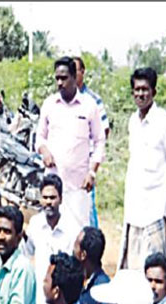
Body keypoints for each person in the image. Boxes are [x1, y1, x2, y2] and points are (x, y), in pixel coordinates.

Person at [120, 67, 166, 270]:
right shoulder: (133, 121)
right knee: (132, 269)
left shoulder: (165, 123)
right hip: (134, 207)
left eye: (145, 89)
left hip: (155, 209)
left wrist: (162, 195)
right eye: (137, 90)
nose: (141, 94)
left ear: (154, 92)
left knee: (156, 271)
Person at [36, 56, 105, 229]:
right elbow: (39, 137)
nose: (60, 83)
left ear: (75, 77)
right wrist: (44, 151)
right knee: (53, 230)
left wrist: (92, 173)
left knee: (77, 233)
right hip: (53, 187)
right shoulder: (49, 104)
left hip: (78, 187)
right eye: (57, 78)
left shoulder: (89, 106)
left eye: (64, 78)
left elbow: (99, 141)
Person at [23, 175, 81, 304]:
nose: (48, 202)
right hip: (40, 301)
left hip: (64, 302)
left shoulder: (72, 228)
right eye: (45, 197)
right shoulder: (35, 225)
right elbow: (27, 254)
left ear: (61, 199)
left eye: (53, 198)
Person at [73, 56, 110, 229]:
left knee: (87, 206)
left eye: (76, 70)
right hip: (68, 164)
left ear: (83, 72)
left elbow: (103, 132)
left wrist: (93, 164)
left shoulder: (93, 100)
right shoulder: (63, 99)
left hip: (86, 164)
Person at [74, 226, 110, 304]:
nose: (72, 250)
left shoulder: (103, 290)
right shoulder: (74, 279)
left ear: (83, 255)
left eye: (76, 245)